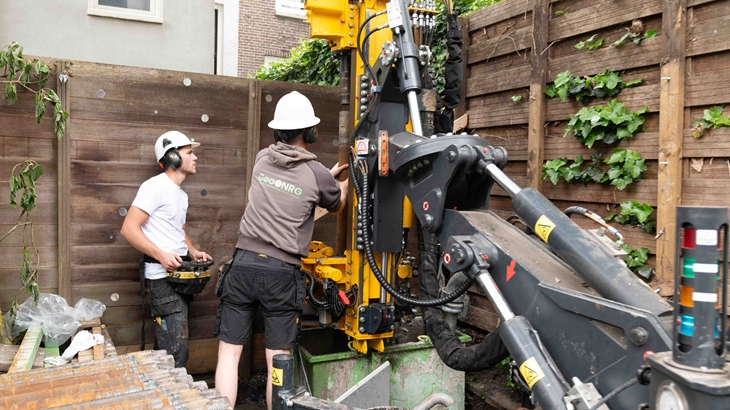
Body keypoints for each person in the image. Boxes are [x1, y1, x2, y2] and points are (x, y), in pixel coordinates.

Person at [214, 91, 348, 409]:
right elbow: (337, 205)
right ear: (310, 132)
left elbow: (286, 186)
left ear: (278, 130)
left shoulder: (263, 157)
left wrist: (324, 178)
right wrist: (340, 185)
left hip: (242, 264)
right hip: (280, 273)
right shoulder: (316, 174)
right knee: (278, 360)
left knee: (229, 353)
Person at [121, 130, 212, 368]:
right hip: (162, 280)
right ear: (172, 157)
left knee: (168, 348)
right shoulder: (155, 186)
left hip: (179, 277)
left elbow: (178, 231)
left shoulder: (180, 195)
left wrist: (193, 251)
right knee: (175, 353)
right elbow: (129, 228)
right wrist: (161, 255)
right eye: (189, 152)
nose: (195, 157)